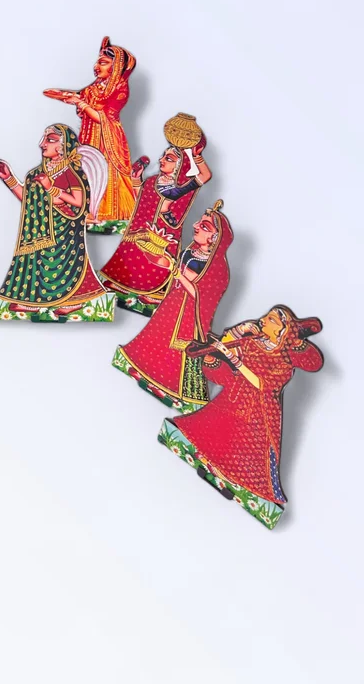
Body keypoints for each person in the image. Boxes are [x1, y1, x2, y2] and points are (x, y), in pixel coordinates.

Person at [171, 306, 323, 506]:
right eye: (266, 316)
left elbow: (262, 385)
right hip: (234, 398)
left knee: (247, 453)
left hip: (259, 412)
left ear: (282, 331)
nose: (263, 320)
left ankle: (237, 487)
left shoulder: (284, 362)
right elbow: (226, 354)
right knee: (214, 433)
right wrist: (236, 334)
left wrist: (234, 360)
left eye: (271, 319)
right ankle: (208, 467)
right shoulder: (251, 342)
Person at [114, 201, 233, 412]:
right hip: (173, 303)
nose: (196, 226)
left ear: (215, 238)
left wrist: (176, 272)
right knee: (155, 338)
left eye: (204, 226)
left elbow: (199, 294)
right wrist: (153, 252)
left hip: (188, 314)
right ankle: (144, 372)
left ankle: (178, 394)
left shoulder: (218, 268)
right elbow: (172, 267)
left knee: (177, 352)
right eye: (199, 222)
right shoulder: (192, 250)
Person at [0, 124, 110, 318]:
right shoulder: (36, 173)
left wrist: (51, 188)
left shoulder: (70, 171)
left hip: (65, 230)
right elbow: (27, 199)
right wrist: (8, 177)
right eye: (44, 139)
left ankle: (72, 301)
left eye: (50, 140)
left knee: (62, 267)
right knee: (37, 266)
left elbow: (79, 202)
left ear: (63, 146)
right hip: (40, 228)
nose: (42, 144)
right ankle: (34, 301)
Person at [100, 125, 212, 313]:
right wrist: (136, 180)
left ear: (178, 166)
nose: (161, 160)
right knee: (129, 257)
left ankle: (154, 292)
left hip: (161, 234)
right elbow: (140, 201)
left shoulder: (182, 188)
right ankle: (124, 285)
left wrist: (196, 155)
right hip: (141, 229)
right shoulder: (152, 181)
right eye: (163, 156)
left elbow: (205, 175)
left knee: (155, 261)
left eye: (169, 159)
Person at [43, 36, 136, 231]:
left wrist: (79, 102)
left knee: (107, 171)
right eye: (98, 62)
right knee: (87, 169)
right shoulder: (94, 88)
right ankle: (90, 211)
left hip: (108, 136)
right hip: (89, 135)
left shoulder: (120, 87)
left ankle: (112, 215)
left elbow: (103, 117)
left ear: (116, 67)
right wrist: (63, 95)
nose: (96, 66)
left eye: (103, 62)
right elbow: (78, 96)